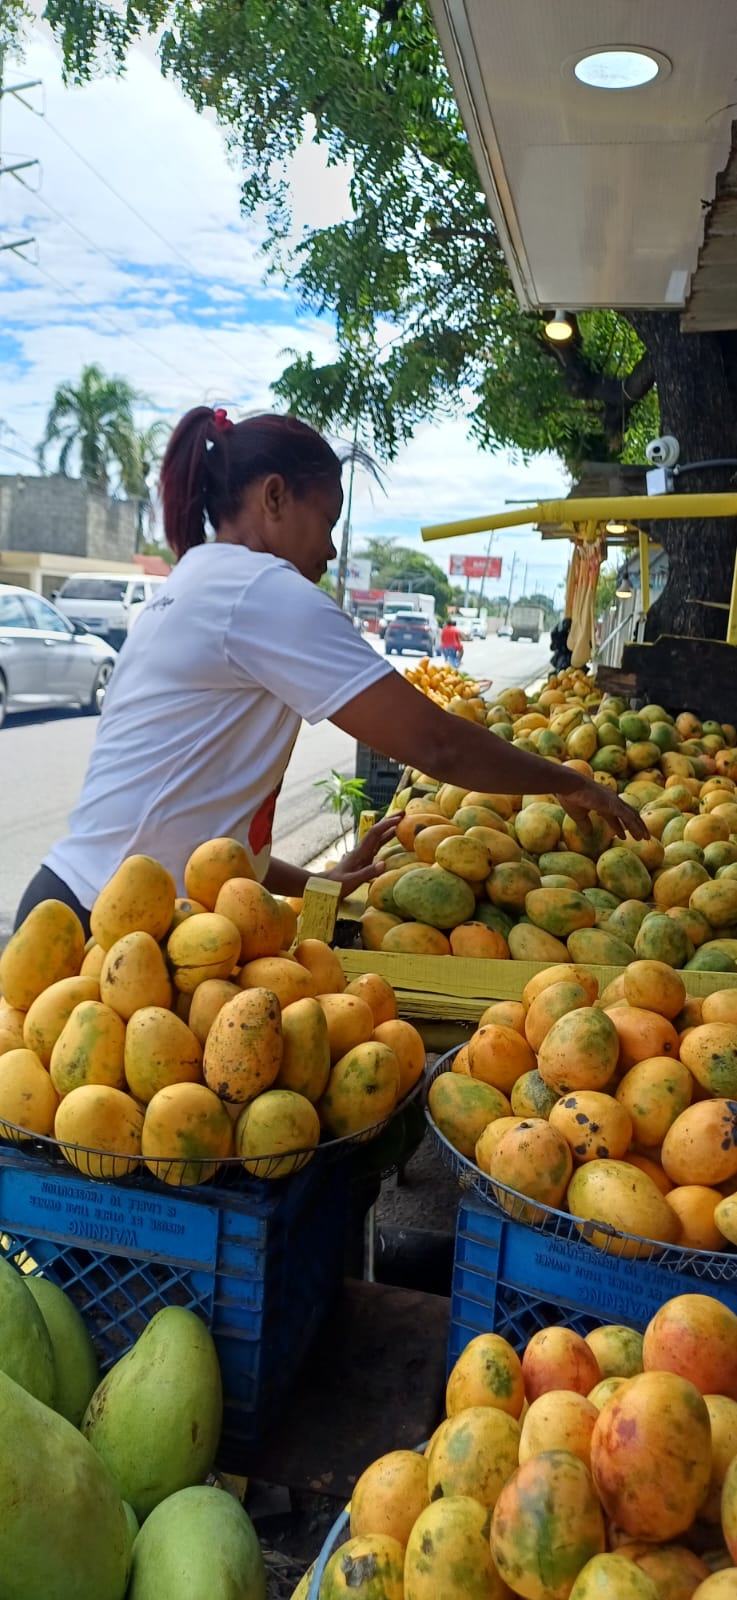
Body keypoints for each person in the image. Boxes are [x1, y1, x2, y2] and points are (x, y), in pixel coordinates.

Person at [14, 406, 646, 935]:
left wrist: (320, 881)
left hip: (95, 905)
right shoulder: (262, 591)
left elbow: (202, 815)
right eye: (328, 520)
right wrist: (567, 781)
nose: (332, 548)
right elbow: (436, 744)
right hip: (107, 924)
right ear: (274, 497)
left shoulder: (198, 582)